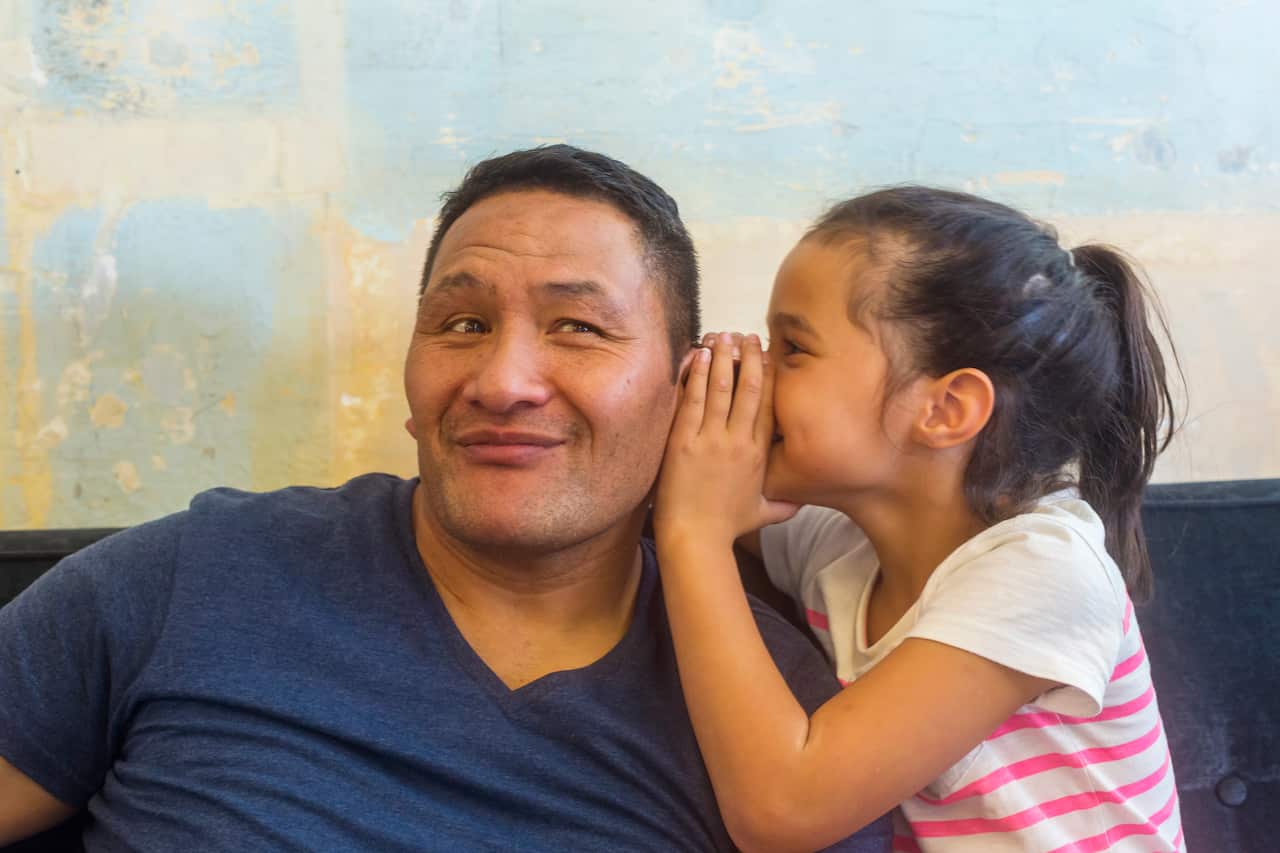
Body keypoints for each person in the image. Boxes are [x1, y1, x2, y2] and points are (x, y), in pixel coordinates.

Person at [0, 146, 892, 851]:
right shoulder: (191, 577)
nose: (502, 381)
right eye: (461, 324)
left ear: (686, 388)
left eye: (577, 327)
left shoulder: (780, 722)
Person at [652, 186, 1185, 852]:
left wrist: (693, 536)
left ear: (945, 409)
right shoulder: (838, 546)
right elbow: (671, 482)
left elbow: (784, 807)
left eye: (792, 348)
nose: (758, 365)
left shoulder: (1048, 569)